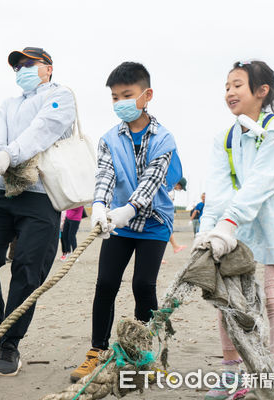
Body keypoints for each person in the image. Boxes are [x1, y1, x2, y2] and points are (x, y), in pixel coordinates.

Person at [194, 60, 274, 400]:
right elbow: (218, 189)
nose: (229, 92)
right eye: (227, 86)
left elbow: (259, 184)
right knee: (227, 298)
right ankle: (231, 377)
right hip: (240, 227)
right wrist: (208, 230)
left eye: (237, 85)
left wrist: (228, 223)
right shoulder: (225, 138)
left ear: (261, 91)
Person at [70, 62, 182, 382]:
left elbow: (150, 182)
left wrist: (128, 209)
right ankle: (98, 350)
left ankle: (145, 352)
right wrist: (100, 206)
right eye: (115, 97)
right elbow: (104, 175)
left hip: (154, 223)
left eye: (127, 95)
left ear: (146, 95)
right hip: (118, 223)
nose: (120, 102)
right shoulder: (108, 138)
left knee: (143, 285)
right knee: (106, 283)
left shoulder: (165, 139)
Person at [0, 46, 76, 376]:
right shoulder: (8, 104)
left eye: (29, 64)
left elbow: (42, 131)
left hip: (42, 193)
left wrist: (9, 155)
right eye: (17, 66)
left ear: (48, 68)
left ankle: (10, 343)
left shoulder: (61, 96)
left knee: (29, 268)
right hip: (1, 190)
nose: (22, 69)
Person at [167, 177, 188, 254]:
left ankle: (175, 246)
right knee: (166, 231)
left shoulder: (170, 189)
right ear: (178, 184)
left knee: (167, 232)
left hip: (166, 213)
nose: (180, 189)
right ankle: (175, 246)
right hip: (164, 214)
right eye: (181, 188)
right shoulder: (169, 189)